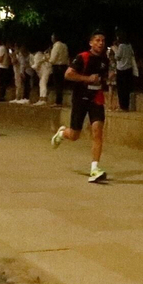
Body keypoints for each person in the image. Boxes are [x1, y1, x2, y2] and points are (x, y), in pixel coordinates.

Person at [50, 31, 112, 182]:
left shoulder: (105, 60)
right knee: (74, 135)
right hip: (80, 98)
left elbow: (103, 79)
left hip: (96, 98)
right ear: (91, 43)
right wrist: (87, 78)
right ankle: (63, 133)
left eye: (103, 40)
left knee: (97, 131)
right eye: (97, 40)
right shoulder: (82, 57)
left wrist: (107, 81)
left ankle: (95, 169)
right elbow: (68, 74)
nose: (100, 43)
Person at [111, 32, 138, 111]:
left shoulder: (121, 46)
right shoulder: (129, 46)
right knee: (127, 89)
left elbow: (117, 57)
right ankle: (126, 106)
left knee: (121, 89)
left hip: (121, 69)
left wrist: (115, 50)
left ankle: (122, 106)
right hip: (128, 69)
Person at [47, 34, 70, 105]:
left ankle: (58, 102)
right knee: (61, 85)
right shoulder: (64, 45)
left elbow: (53, 59)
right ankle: (59, 101)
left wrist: (48, 58)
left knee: (57, 85)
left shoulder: (56, 46)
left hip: (57, 66)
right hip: (64, 66)